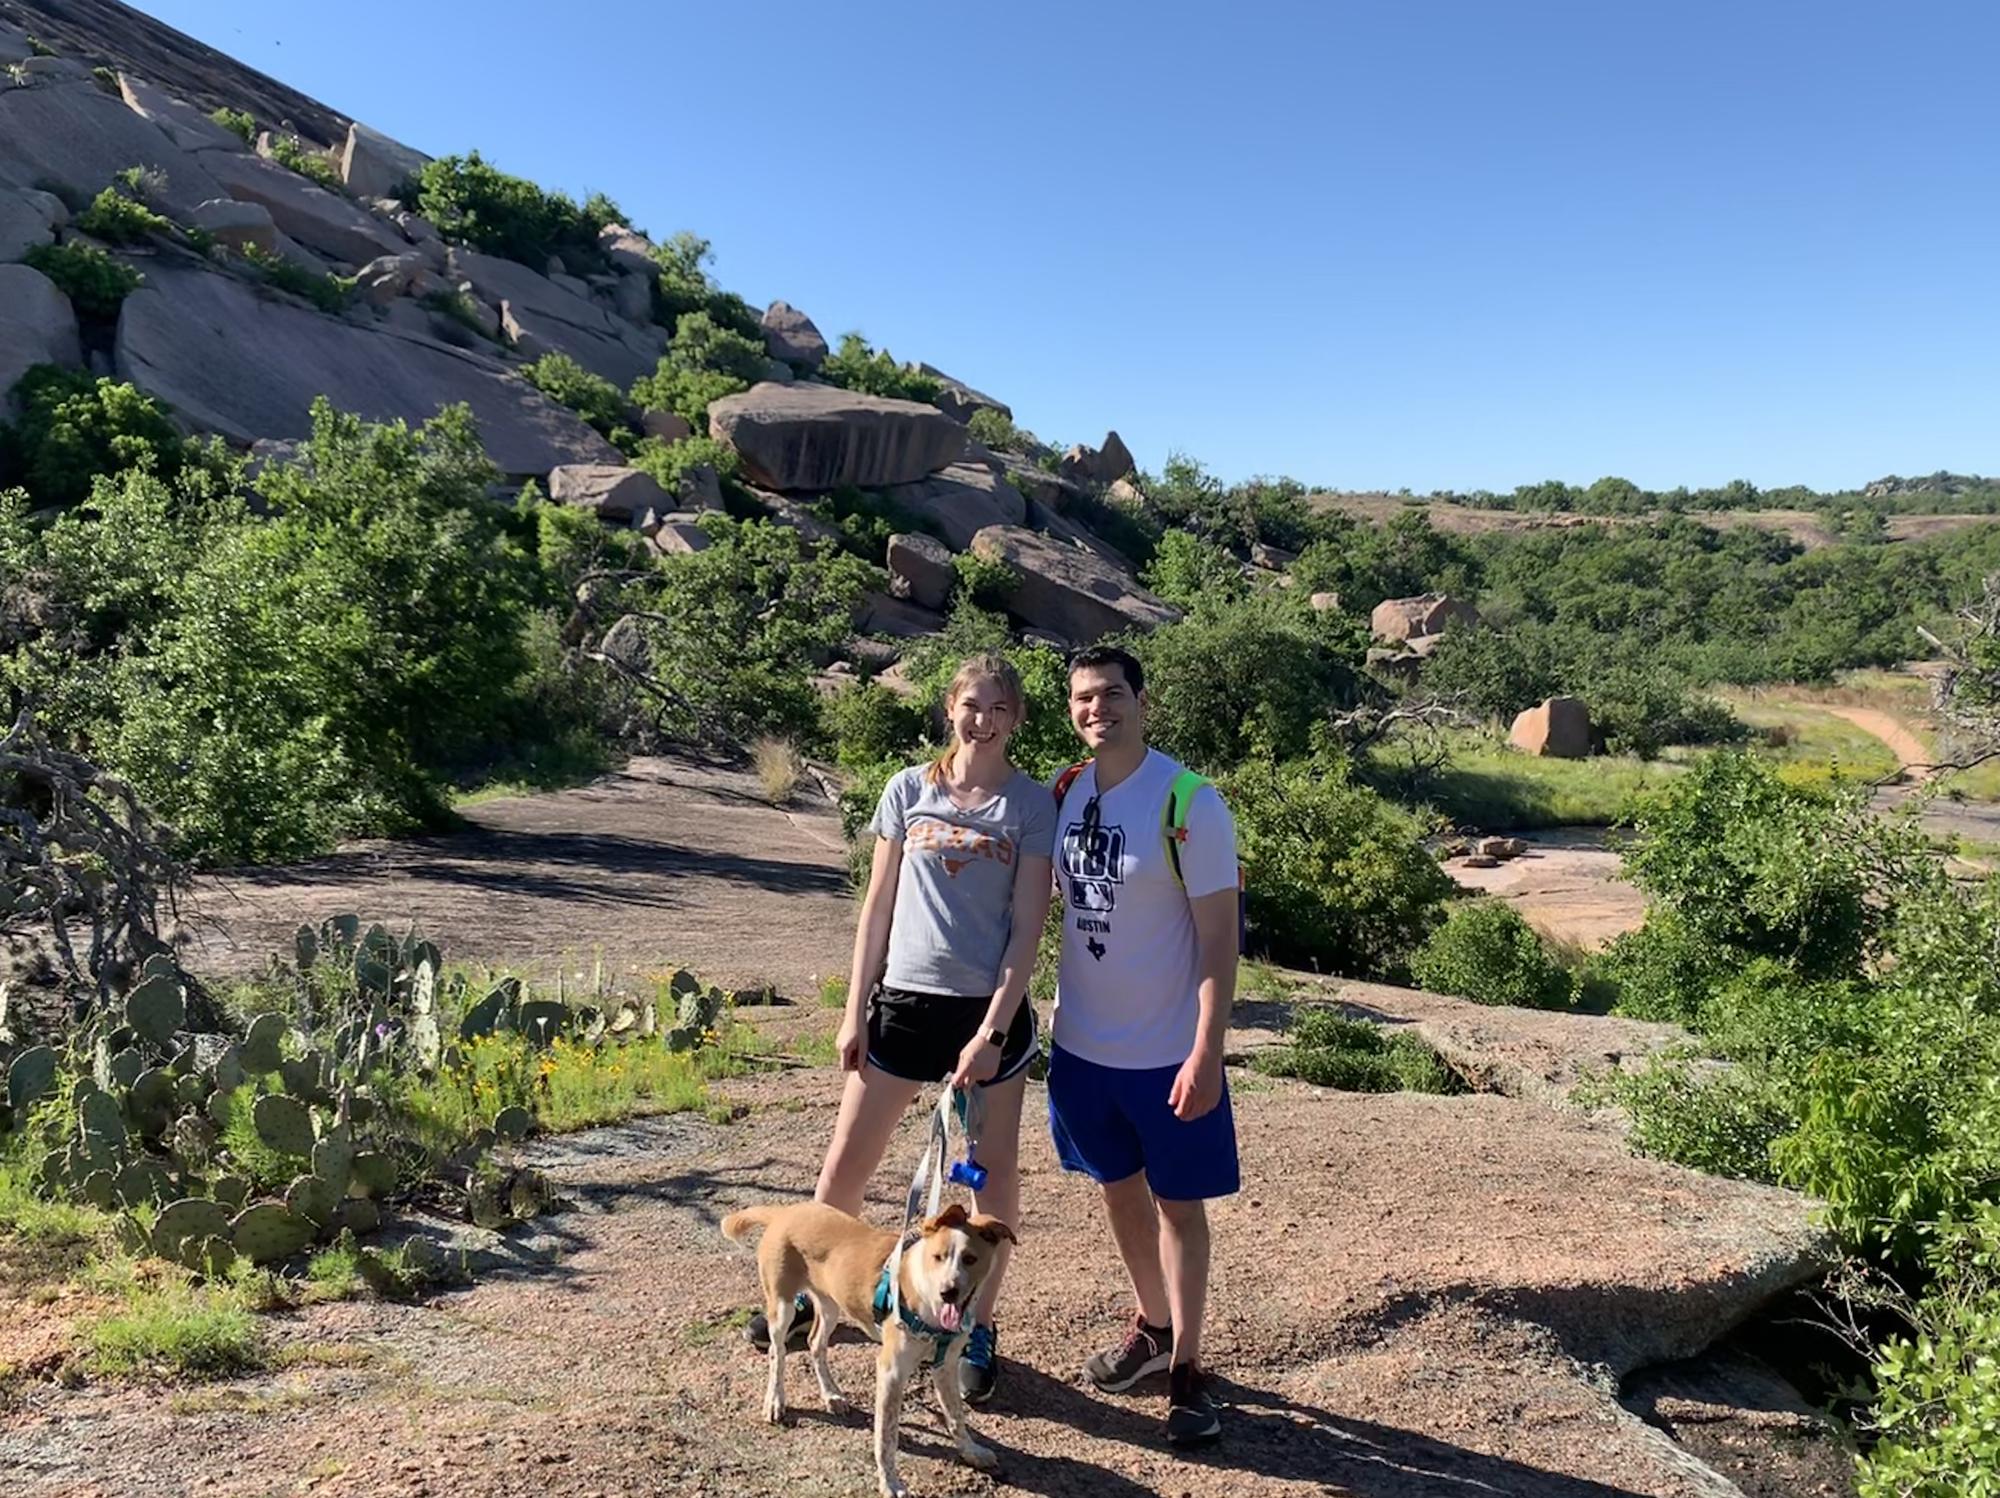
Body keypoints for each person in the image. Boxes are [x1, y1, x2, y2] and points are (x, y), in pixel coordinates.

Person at [745, 653, 1055, 1405]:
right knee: (847, 1161)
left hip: (986, 1015)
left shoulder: (1031, 805)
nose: (982, 720)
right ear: (949, 708)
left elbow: (1026, 931)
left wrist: (992, 1029)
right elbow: (877, 908)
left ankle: (973, 1323)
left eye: (998, 708)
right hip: (905, 1003)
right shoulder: (908, 790)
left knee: (992, 1177)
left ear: (1015, 718)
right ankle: (810, 1296)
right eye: (970, 705)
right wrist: (855, 1008)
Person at [1046, 644, 1239, 1448]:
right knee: (1117, 1191)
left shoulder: (1189, 801)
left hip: (1165, 1052)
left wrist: (1207, 1052)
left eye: (1114, 694)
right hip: (1084, 1049)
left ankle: (1189, 1372)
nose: (1100, 709)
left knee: (1177, 1206)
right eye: (1086, 698)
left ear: (1142, 700)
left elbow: (1219, 943)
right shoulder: (1066, 790)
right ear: (1071, 710)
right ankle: (1153, 1330)